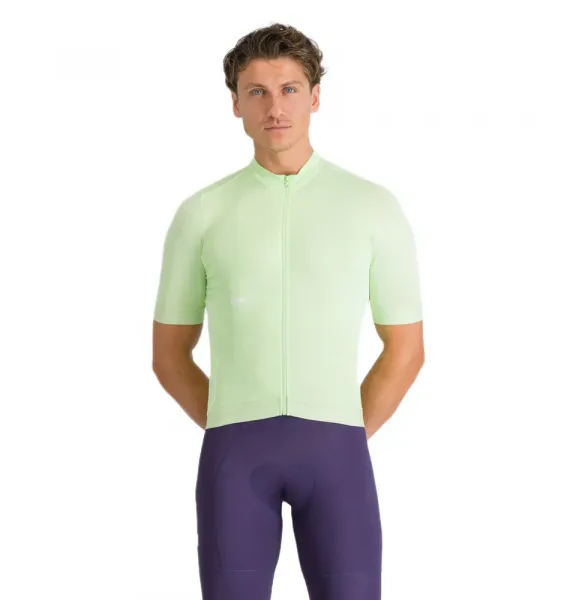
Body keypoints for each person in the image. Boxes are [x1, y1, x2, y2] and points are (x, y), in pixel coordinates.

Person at [152, 22, 425, 600]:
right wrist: (233, 419)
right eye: (257, 92)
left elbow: (406, 347)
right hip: (235, 459)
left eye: (290, 89)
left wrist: (343, 430)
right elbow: (169, 355)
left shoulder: (372, 207)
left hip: (338, 456)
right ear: (235, 103)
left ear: (315, 96)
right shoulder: (201, 214)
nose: (275, 107)